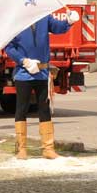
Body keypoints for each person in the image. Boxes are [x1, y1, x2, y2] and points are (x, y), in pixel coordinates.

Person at [5, 10, 80, 159]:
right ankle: (21, 149)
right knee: (22, 108)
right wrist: (23, 61)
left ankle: (48, 148)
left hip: (42, 73)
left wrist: (69, 21)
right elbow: (9, 48)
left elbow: (58, 28)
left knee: (44, 109)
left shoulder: (43, 17)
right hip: (24, 73)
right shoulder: (15, 20)